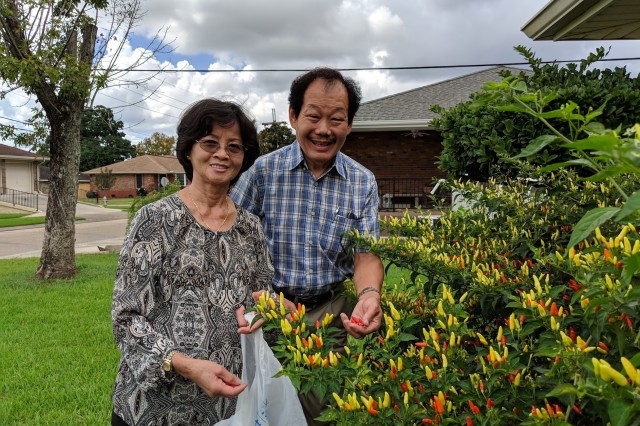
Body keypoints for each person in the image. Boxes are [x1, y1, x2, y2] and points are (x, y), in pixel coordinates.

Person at [230, 67, 384, 425]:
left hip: (329, 313)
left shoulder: (362, 182)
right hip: (269, 311)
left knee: (324, 413)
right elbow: (229, 243)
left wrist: (370, 295)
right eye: (313, 116)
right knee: (263, 409)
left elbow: (366, 255)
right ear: (293, 116)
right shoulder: (262, 172)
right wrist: (262, 296)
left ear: (349, 125)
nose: (324, 129)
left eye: (337, 119)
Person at [111, 98, 273, 425]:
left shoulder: (251, 227)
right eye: (210, 142)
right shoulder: (154, 220)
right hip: (153, 407)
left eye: (234, 147)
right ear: (188, 149)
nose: (222, 153)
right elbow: (126, 317)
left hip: (225, 406)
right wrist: (184, 364)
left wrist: (262, 312)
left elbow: (262, 297)